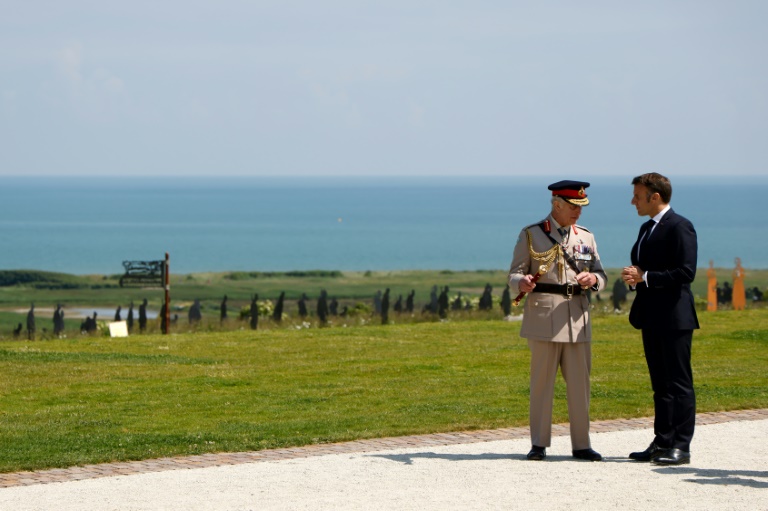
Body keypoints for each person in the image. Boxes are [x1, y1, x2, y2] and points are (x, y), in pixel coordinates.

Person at [508, 180, 606, 462]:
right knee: (541, 384)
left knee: (580, 386)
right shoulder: (532, 235)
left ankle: (582, 444)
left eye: (581, 207)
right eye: (574, 207)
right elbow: (513, 274)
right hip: (544, 318)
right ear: (557, 205)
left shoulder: (586, 237)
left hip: (577, 319)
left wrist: (594, 280)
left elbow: (601, 274)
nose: (578, 213)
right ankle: (538, 444)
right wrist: (521, 282)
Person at [622, 172, 698, 466]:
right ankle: (662, 441)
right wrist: (634, 277)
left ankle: (681, 445)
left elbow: (686, 272)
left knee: (679, 383)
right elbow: (645, 269)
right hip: (650, 315)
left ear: (655, 197)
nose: (633, 201)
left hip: (675, 317)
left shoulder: (681, 226)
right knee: (660, 384)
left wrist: (646, 277)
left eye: (637, 196)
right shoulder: (645, 228)